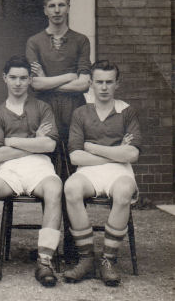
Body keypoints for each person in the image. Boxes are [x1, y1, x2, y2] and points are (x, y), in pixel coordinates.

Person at [0, 56, 62, 287]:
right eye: (13, 77)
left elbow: (50, 146)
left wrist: (12, 141)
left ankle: (45, 261)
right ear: (5, 78)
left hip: (40, 167)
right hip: (10, 170)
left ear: (31, 80)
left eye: (23, 78)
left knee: (55, 188)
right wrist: (34, 140)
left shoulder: (42, 108)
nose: (18, 83)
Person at [63, 60, 141, 286]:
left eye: (109, 82)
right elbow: (75, 157)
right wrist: (117, 151)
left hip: (119, 171)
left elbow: (133, 155)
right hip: (88, 169)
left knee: (124, 191)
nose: (104, 87)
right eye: (99, 82)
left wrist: (92, 147)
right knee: (71, 187)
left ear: (118, 83)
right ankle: (86, 258)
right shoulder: (81, 113)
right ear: (91, 84)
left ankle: (108, 260)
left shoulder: (127, 112)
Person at [25, 0, 91, 179]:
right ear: (45, 10)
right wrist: (70, 76)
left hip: (75, 108)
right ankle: (52, 210)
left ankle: (74, 209)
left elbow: (84, 83)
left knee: (75, 160)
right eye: (52, 6)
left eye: (61, 5)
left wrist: (49, 82)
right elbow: (36, 84)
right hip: (45, 108)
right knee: (49, 164)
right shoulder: (34, 42)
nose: (57, 10)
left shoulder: (81, 40)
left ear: (68, 8)